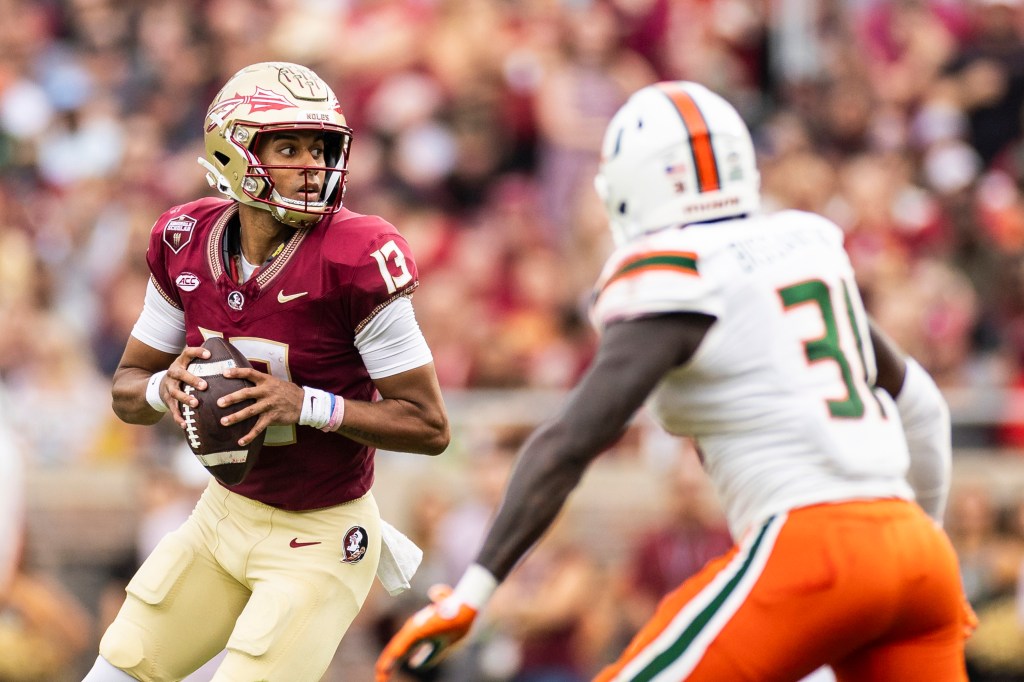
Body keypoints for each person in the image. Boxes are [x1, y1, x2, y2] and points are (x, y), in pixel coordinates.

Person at [376, 81, 974, 682]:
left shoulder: (681, 271)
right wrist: (923, 547)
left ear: (636, 186)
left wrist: (470, 593)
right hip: (919, 555)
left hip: (812, 549)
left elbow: (571, 441)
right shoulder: (801, 250)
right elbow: (922, 407)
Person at [81, 61, 450, 682]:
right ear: (231, 152)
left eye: (320, 146)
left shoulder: (355, 256)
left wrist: (305, 404)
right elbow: (125, 390)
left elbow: (429, 424)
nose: (311, 164)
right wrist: (161, 387)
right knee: (117, 670)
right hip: (221, 516)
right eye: (288, 146)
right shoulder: (184, 241)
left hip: (321, 534)